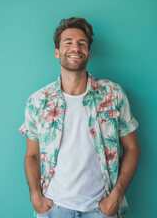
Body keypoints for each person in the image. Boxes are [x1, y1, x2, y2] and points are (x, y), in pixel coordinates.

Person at [19, 17, 140, 218]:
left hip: (101, 209)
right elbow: (31, 154)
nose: (75, 48)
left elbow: (132, 148)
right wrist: (35, 197)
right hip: (53, 209)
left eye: (81, 43)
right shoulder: (38, 100)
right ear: (57, 52)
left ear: (89, 53)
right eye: (68, 42)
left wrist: (116, 197)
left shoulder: (113, 94)